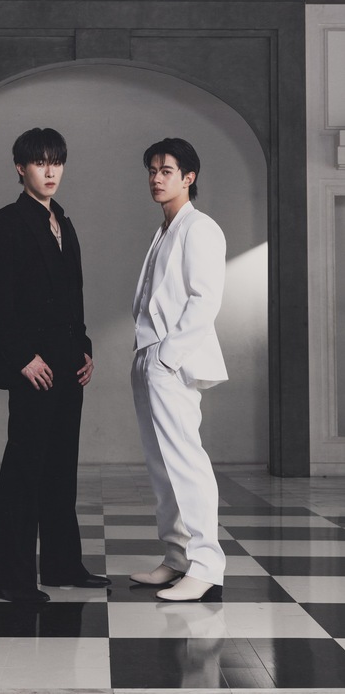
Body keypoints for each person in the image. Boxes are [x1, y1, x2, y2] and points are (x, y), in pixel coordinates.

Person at [0, 127, 110, 603]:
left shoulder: (64, 223)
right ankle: (10, 579)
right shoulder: (3, 223)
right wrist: (22, 359)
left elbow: (73, 295)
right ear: (21, 168)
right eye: (40, 162)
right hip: (31, 364)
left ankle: (61, 565)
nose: (50, 171)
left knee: (61, 467)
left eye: (57, 161)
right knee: (24, 468)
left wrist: (85, 347)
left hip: (68, 361)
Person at [130, 137, 228, 602]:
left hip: (170, 362)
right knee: (161, 464)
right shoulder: (165, 229)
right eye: (152, 170)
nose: (156, 178)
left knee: (186, 463)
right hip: (147, 356)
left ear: (189, 177)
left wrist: (166, 358)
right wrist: (146, 357)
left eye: (166, 171)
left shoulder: (200, 228)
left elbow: (205, 301)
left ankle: (206, 567)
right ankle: (177, 557)